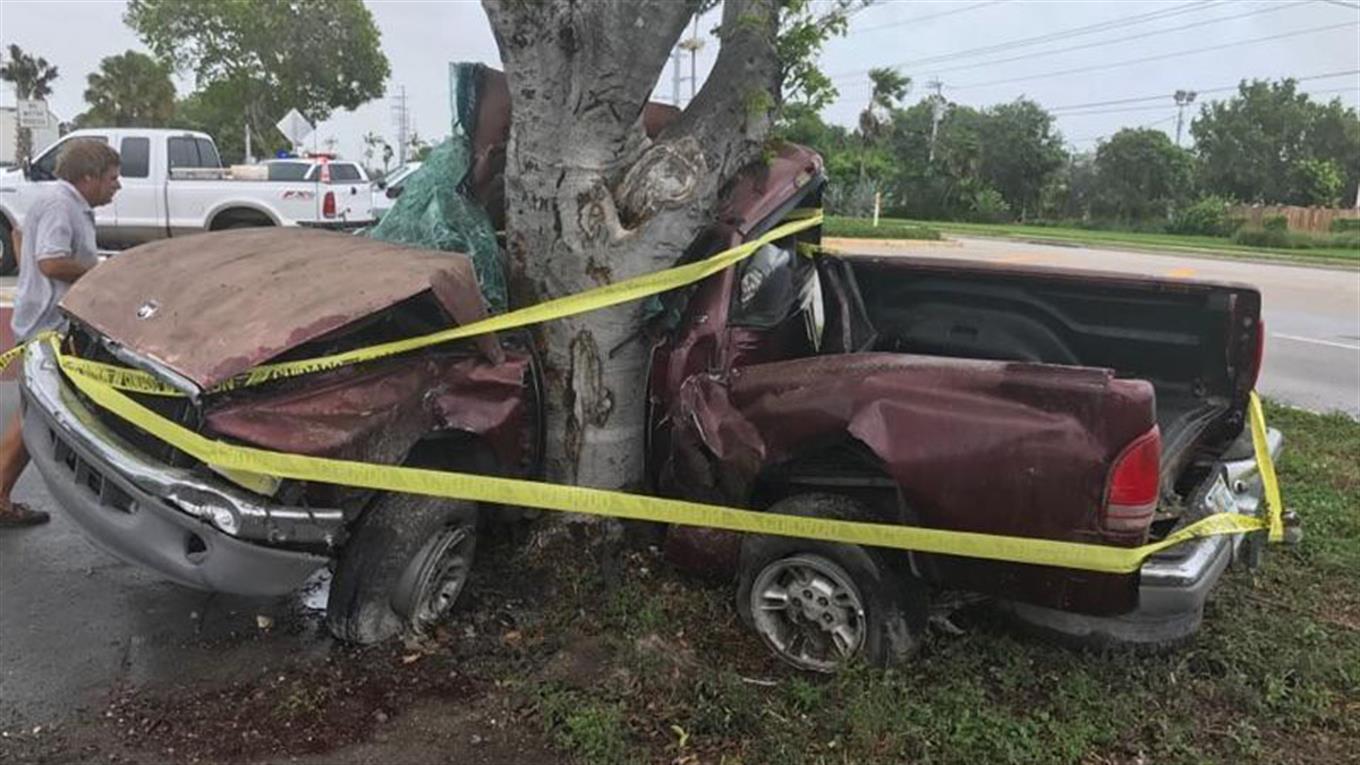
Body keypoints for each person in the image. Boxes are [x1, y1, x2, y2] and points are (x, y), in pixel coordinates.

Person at [0, 139, 120, 527]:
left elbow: (20, 235)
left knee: (36, 418)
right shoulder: (61, 205)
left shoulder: (66, 203)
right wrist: (99, 273)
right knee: (37, 419)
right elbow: (51, 262)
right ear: (88, 178)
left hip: (49, 321)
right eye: (112, 178)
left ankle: (0, 495)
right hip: (47, 329)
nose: (117, 186)